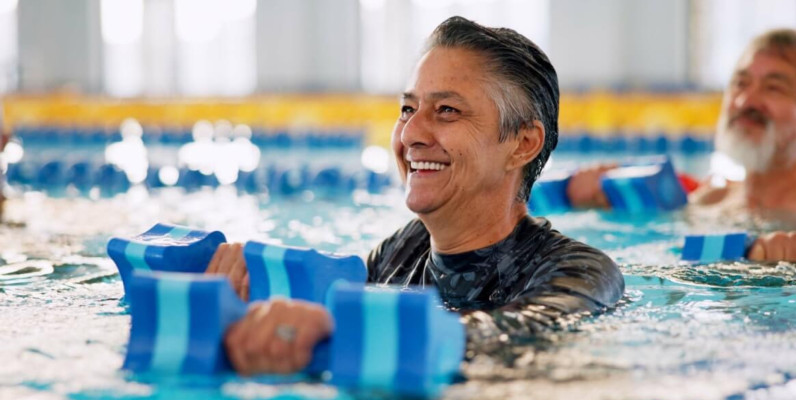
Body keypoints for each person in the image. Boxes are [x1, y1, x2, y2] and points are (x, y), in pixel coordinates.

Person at [207, 16, 625, 375]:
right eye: (408, 109)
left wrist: (340, 326)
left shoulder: (581, 272)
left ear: (522, 143)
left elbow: (513, 338)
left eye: (447, 111)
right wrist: (256, 294)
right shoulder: (399, 254)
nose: (410, 134)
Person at [565, 29, 796, 264]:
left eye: (774, 88)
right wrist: (604, 199)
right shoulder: (709, 201)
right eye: (740, 83)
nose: (745, 100)